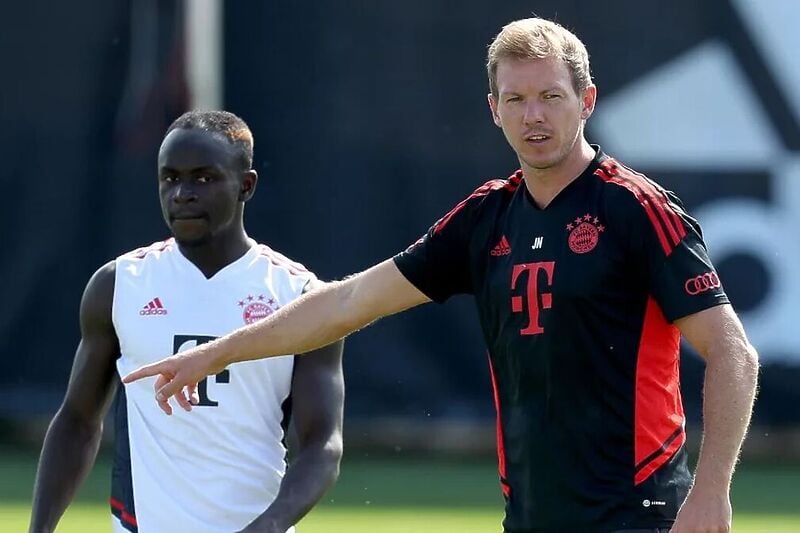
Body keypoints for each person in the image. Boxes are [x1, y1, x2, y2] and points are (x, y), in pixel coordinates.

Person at [123, 19, 759, 533]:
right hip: (533, 517)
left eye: (550, 97)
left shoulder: (635, 210)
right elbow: (349, 302)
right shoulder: (486, 217)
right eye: (516, 100)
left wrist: (710, 495)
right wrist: (217, 353)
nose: (533, 117)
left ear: (586, 101)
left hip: (641, 516)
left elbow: (733, 353)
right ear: (493, 109)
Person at [29, 111, 345, 533]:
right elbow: (77, 422)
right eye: (170, 178)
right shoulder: (119, 285)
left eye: (203, 178)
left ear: (246, 185)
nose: (182, 193)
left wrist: (269, 525)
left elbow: (322, 444)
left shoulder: (300, 295)